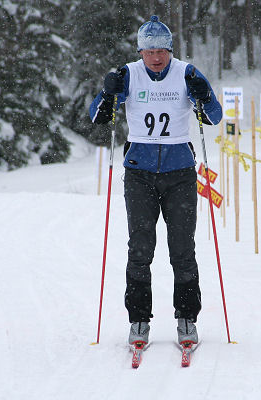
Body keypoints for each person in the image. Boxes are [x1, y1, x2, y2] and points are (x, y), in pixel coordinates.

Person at [89, 15, 222, 347]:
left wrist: (204, 95)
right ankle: (138, 320)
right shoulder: (128, 75)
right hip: (139, 174)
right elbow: (96, 117)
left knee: (182, 250)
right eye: (149, 51)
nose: (156, 57)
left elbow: (215, 117)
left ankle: (187, 318)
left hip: (179, 172)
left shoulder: (187, 72)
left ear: (171, 50)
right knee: (140, 248)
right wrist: (107, 94)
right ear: (140, 52)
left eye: (162, 50)